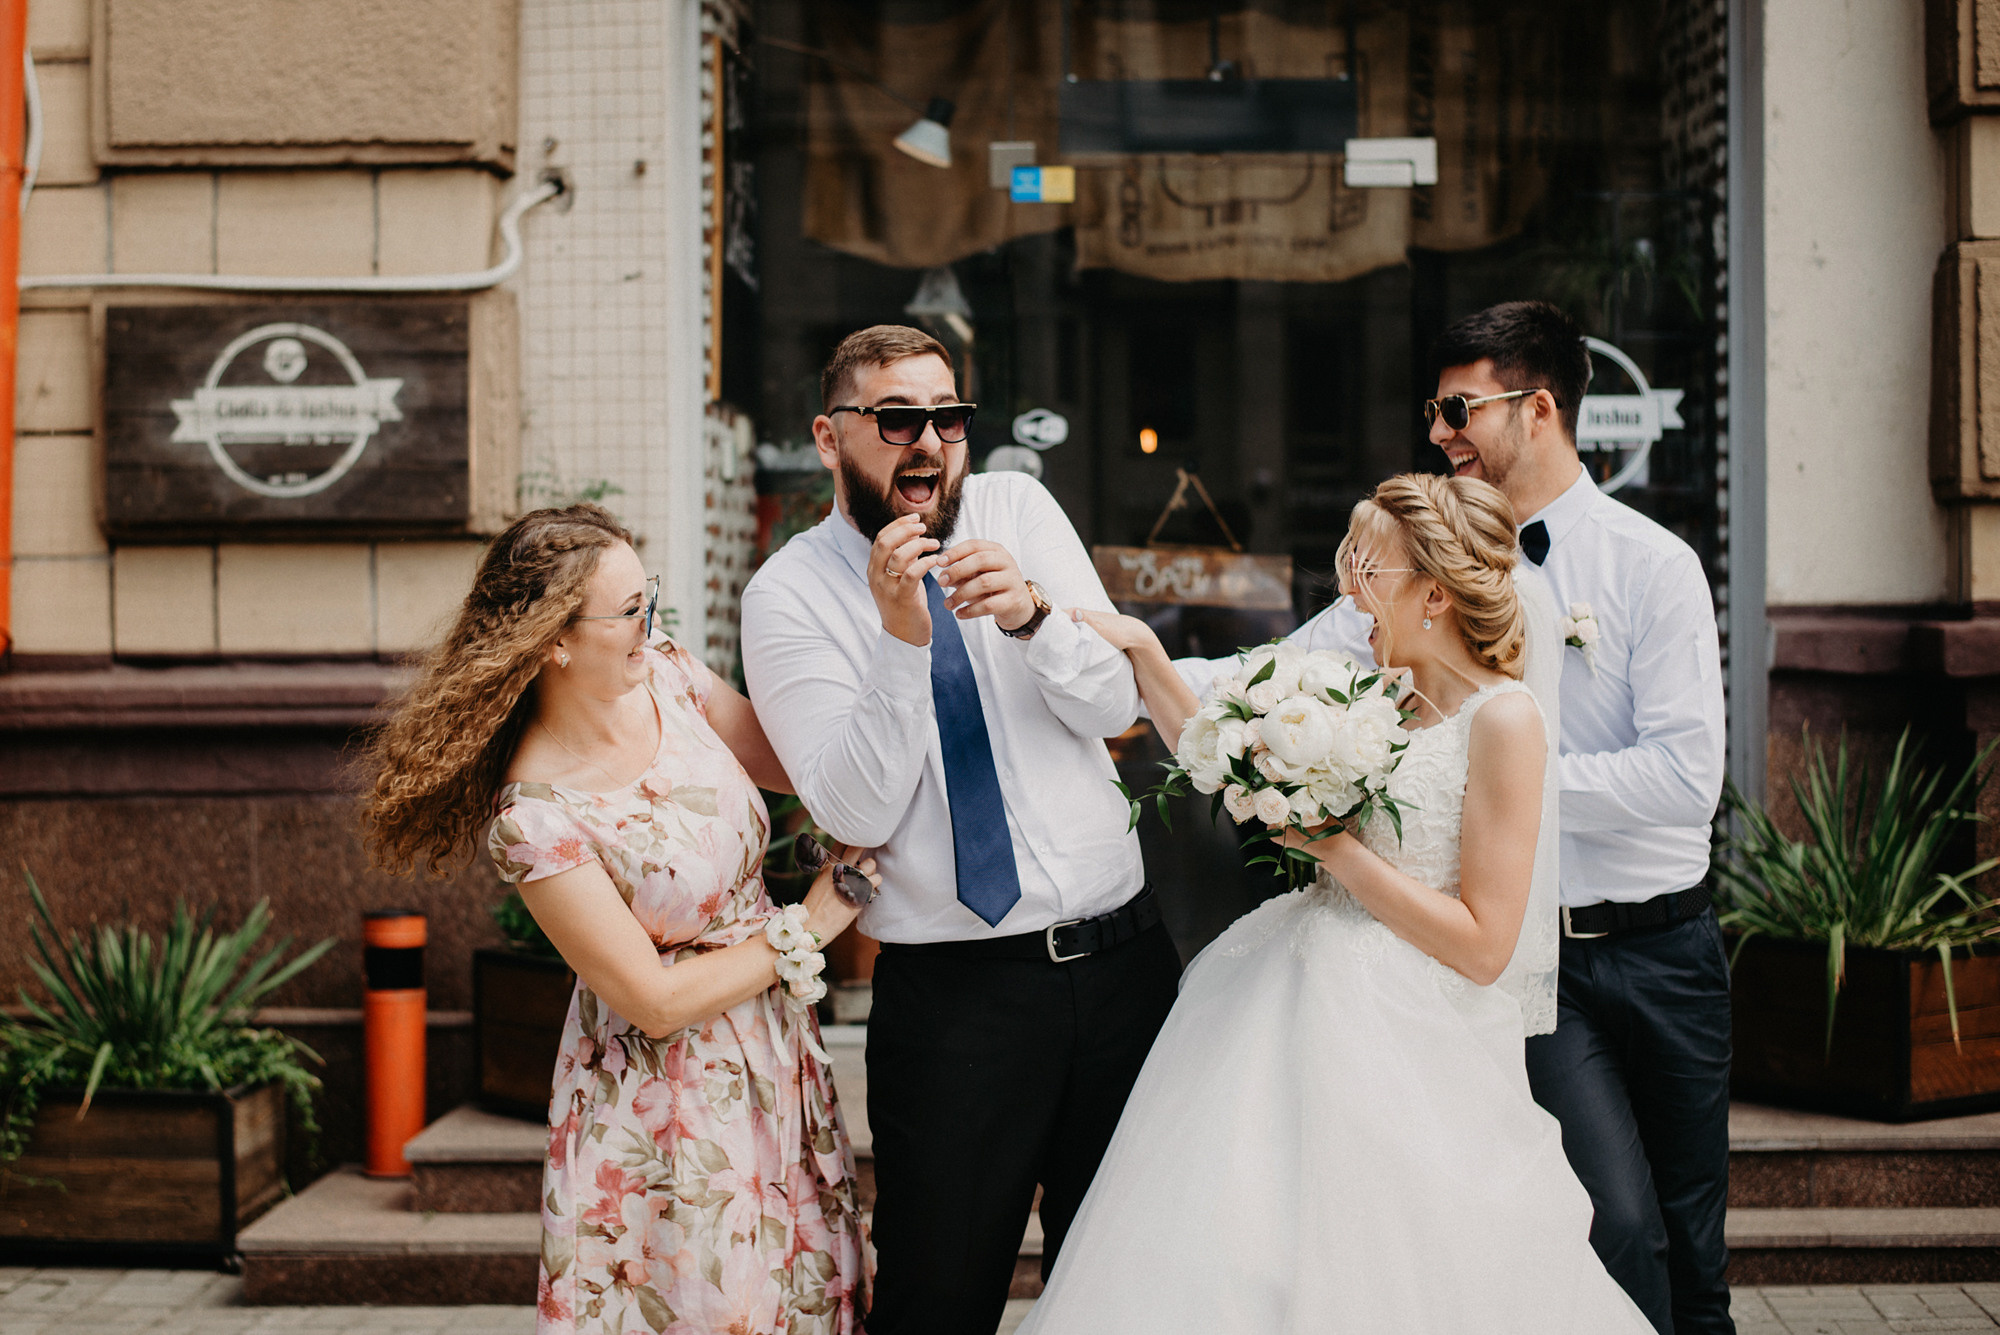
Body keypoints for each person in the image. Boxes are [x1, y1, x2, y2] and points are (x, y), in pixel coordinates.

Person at [1176, 301, 1731, 1335]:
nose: (1436, 431)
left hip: (1656, 949)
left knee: (1689, 1236)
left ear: (1538, 408)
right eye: (1431, 410)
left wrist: (1492, 779)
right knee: (1597, 1220)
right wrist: (1116, 665)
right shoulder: (1404, 568)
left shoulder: (1651, 566)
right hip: (1514, 961)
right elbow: (1271, 673)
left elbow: (1679, 782)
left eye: (1455, 408)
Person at [1019, 473, 1652, 1333]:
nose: (1352, 589)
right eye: (1350, 565)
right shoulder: (1375, 695)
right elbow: (1220, 755)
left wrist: (1338, 854)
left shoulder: (1505, 720)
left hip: (1410, 1034)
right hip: (1284, 991)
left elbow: (1485, 944)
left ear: (1434, 592)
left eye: (1372, 571)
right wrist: (1141, 650)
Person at [739, 325, 1182, 1335]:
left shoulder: (1017, 509)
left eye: (947, 417)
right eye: (897, 419)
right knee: (937, 1297)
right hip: (956, 1006)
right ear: (829, 435)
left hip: (1121, 966)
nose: (929, 442)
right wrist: (902, 637)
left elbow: (1115, 703)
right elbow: (850, 812)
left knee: (1131, 1288)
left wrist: (1034, 619)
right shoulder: (788, 595)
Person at [362, 503, 873, 1335]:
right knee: (716, 1305)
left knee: (802, 1295)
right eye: (631, 609)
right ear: (553, 642)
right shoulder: (536, 817)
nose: (653, 622)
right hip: (668, 1107)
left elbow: (794, 769)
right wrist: (806, 928)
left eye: (652, 596)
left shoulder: (666, 671)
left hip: (774, 1057)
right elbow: (652, 1000)